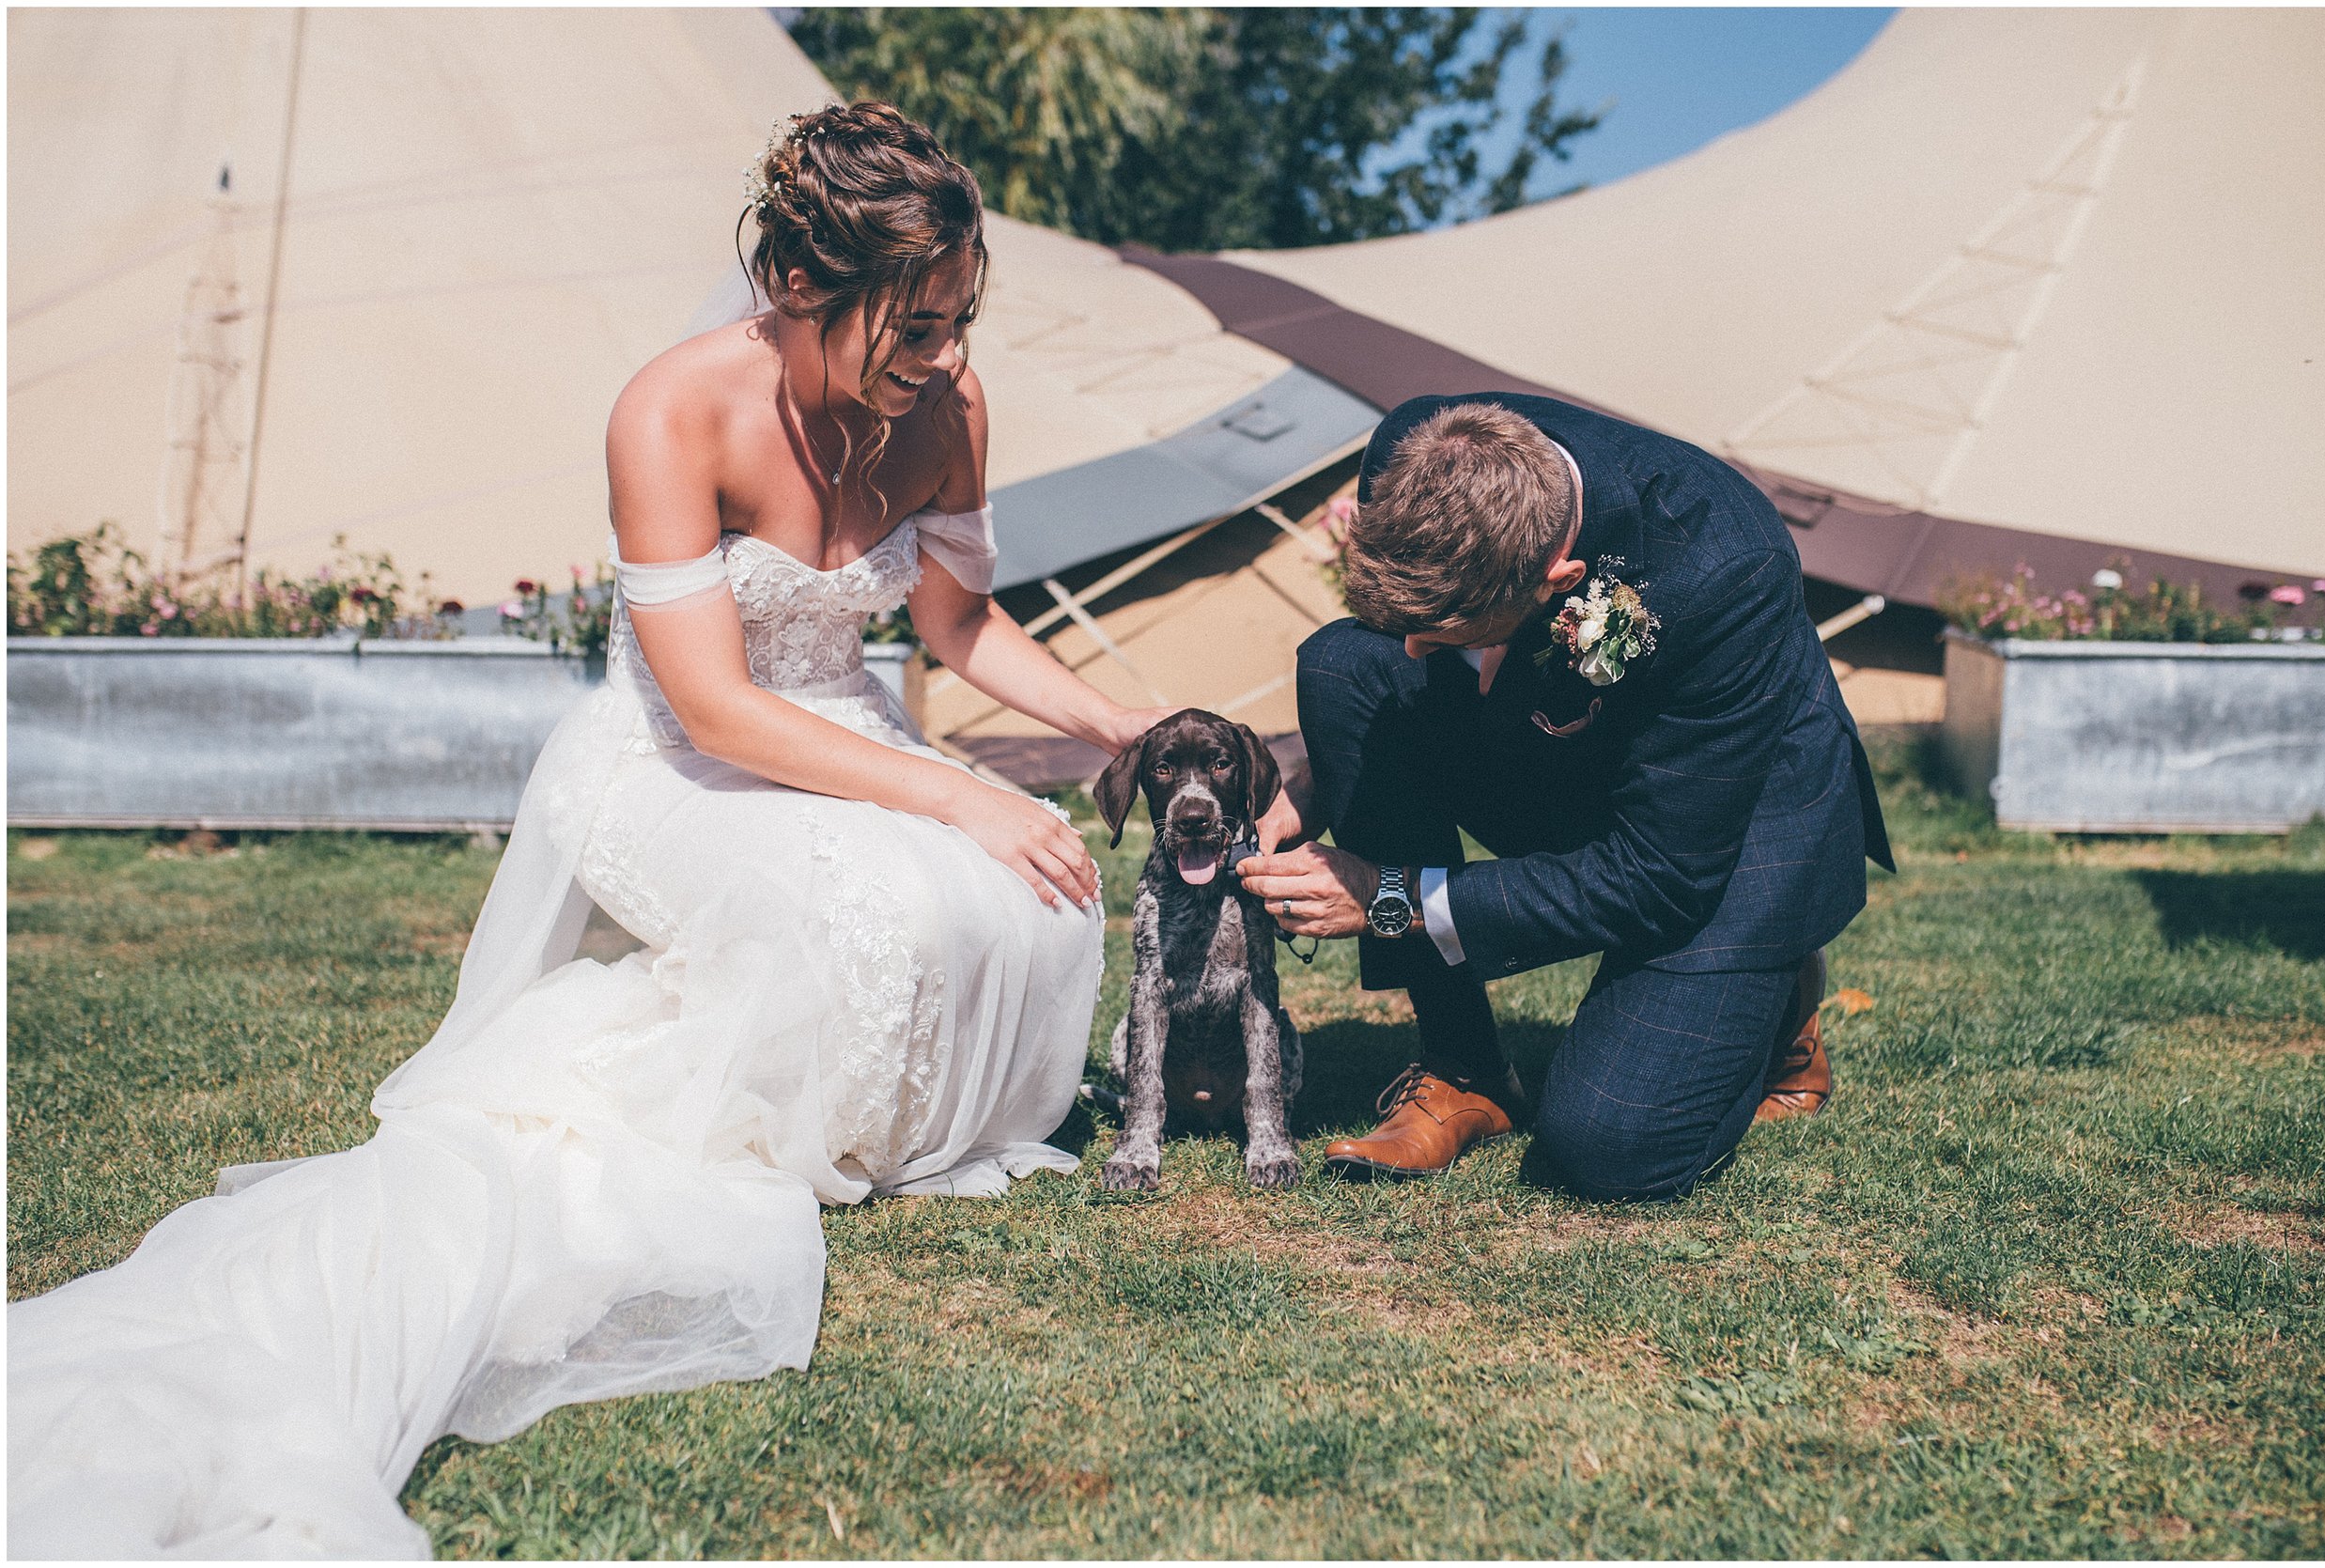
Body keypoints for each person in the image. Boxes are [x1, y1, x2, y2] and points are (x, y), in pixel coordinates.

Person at [8, 103, 1169, 1558]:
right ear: (805, 286)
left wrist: (1122, 727)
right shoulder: (670, 409)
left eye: (958, 320)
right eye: (914, 326)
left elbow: (957, 622)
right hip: (673, 756)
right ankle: (802, 1111)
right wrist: (957, 789)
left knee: (1042, 900)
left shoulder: (952, 407)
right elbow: (718, 705)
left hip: (846, 725)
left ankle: (903, 1109)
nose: (943, 358)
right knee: (896, 906)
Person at [1240, 394, 1894, 1197]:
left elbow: (1657, 872)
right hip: (1551, 731)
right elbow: (1396, 652)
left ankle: (1777, 995)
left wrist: (1389, 897)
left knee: (1611, 1146)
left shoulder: (1727, 565)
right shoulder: (1414, 452)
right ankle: (1463, 1066)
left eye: (1442, 634)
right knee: (1344, 666)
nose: (1412, 651)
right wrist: (1320, 777)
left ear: (1562, 580)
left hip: (1725, 817)